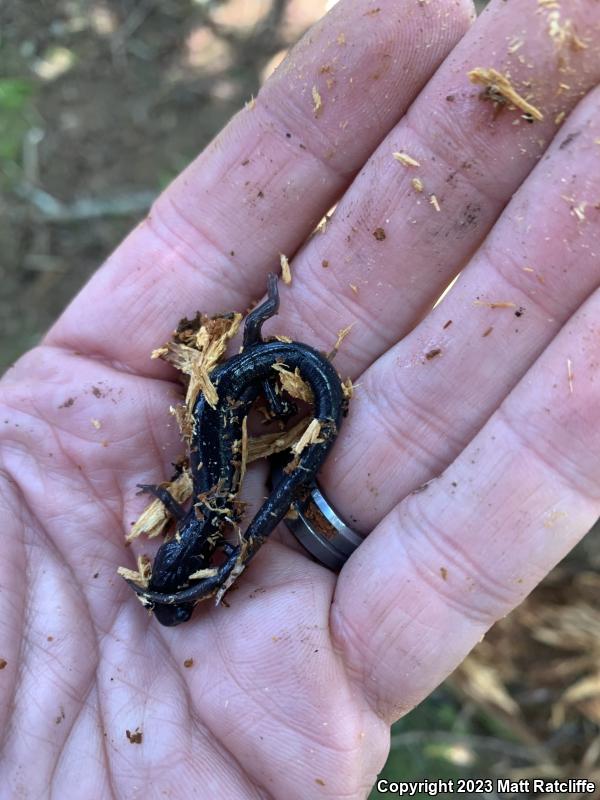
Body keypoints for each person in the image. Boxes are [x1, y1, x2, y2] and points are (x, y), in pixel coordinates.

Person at [1, 0, 599, 796]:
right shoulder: (204, 514)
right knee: (270, 428)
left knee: (275, 418)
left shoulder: (213, 514)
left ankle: (282, 369)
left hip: (277, 374)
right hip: (268, 379)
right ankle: (282, 373)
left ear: (190, 556)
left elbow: (199, 487)